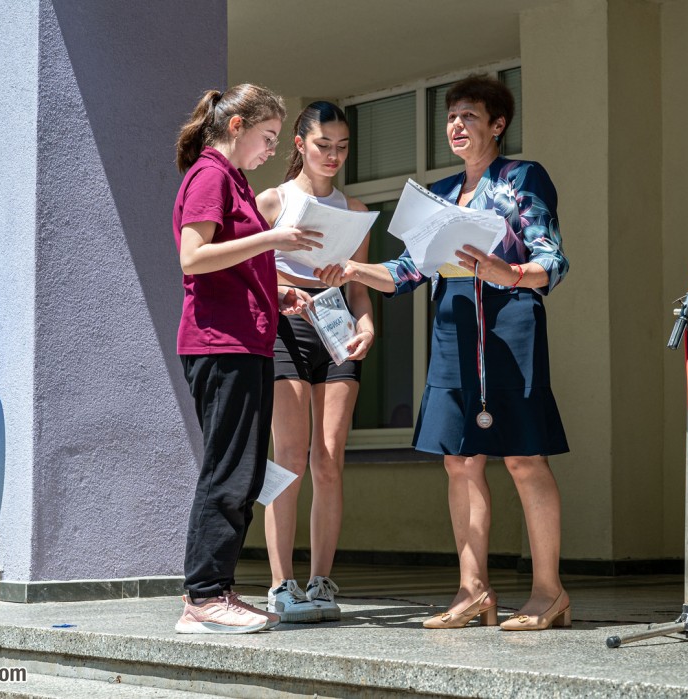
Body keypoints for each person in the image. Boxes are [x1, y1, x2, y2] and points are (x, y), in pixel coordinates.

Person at [316, 75, 571, 631]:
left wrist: (507, 270)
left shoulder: (523, 177)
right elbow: (408, 270)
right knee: (459, 460)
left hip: (511, 320)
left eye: (469, 116)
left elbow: (552, 258)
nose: (456, 125)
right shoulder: (441, 191)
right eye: (451, 117)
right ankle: (473, 590)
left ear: (498, 125)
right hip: (453, 325)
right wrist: (355, 269)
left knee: (524, 458)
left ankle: (549, 592)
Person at [172, 84, 323, 634]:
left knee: (245, 470)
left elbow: (231, 266)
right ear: (236, 126)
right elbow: (194, 257)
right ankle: (204, 596)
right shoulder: (210, 175)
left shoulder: (233, 180)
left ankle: (217, 590)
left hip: (247, 342)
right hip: (221, 345)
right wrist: (273, 240)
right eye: (268, 136)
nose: (272, 150)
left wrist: (275, 292)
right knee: (229, 468)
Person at [255, 102, 374, 623]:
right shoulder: (273, 200)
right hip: (285, 323)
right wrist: (281, 287)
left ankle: (321, 580)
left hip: (336, 321)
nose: (333, 155)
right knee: (288, 455)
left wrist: (367, 325)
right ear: (300, 144)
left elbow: (360, 285)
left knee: (328, 458)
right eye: (323, 145)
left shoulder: (355, 209)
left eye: (342, 147)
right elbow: (243, 272)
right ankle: (280, 583)